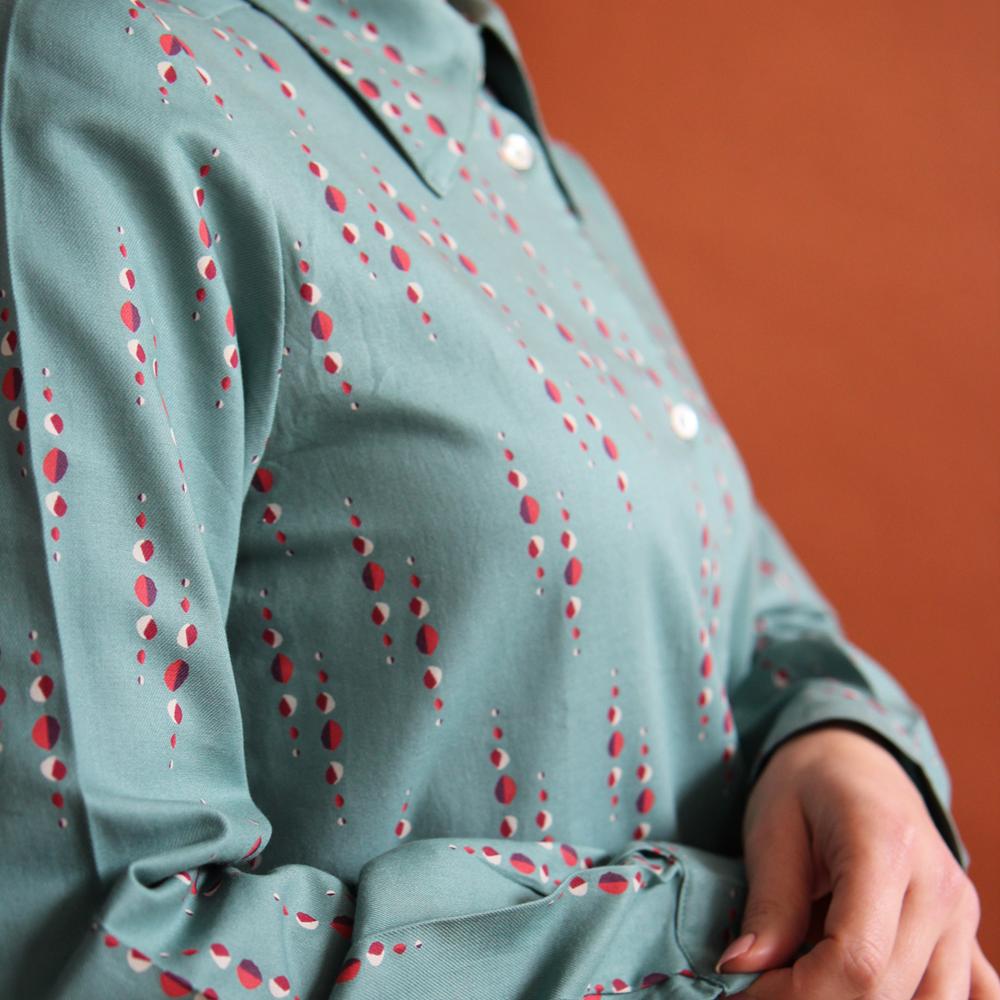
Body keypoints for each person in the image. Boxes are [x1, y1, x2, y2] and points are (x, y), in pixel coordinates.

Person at [0, 0, 994, 996]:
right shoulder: (111, 73)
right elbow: (89, 944)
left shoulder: (521, 151)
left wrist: (835, 741)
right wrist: (721, 938)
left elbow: (733, 593)